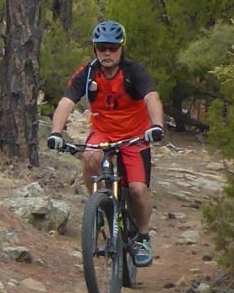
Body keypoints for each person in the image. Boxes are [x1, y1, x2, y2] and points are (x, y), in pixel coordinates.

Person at [48, 21, 164, 265]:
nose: (107, 53)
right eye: (102, 48)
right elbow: (67, 102)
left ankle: (142, 236)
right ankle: (97, 207)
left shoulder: (134, 72)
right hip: (103, 132)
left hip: (134, 135)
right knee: (90, 156)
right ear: (95, 49)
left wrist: (157, 126)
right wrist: (56, 132)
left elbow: (151, 97)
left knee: (137, 190)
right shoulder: (88, 73)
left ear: (121, 49)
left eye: (112, 48)